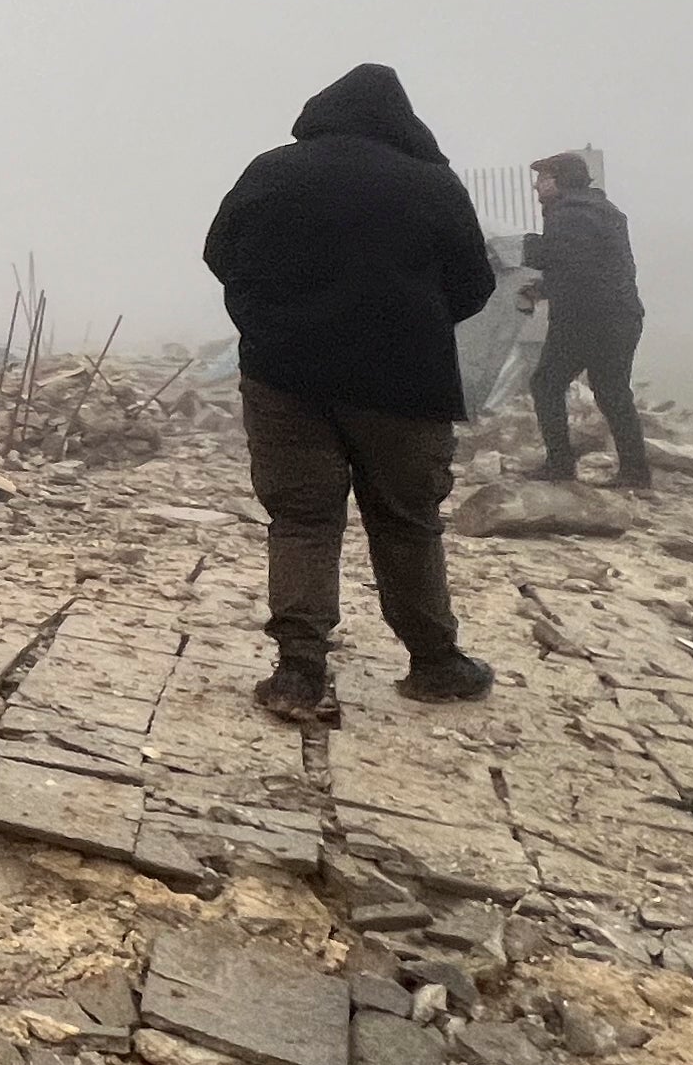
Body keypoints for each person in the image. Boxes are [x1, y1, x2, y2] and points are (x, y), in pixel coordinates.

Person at [202, 64, 500, 724]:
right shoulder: (430, 182)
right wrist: (411, 320)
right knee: (407, 521)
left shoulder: (273, 170)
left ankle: (298, 672)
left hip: (286, 377)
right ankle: (436, 664)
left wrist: (271, 318)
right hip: (405, 384)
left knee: (303, 518)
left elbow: (222, 253)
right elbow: (475, 284)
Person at [519, 151, 650, 490]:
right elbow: (588, 267)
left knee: (546, 383)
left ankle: (560, 465)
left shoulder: (569, 214)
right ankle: (636, 472)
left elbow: (569, 264)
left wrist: (531, 249)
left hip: (587, 319)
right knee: (612, 391)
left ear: (560, 179)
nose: (536, 186)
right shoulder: (604, 211)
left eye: (542, 177)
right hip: (619, 314)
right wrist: (545, 287)